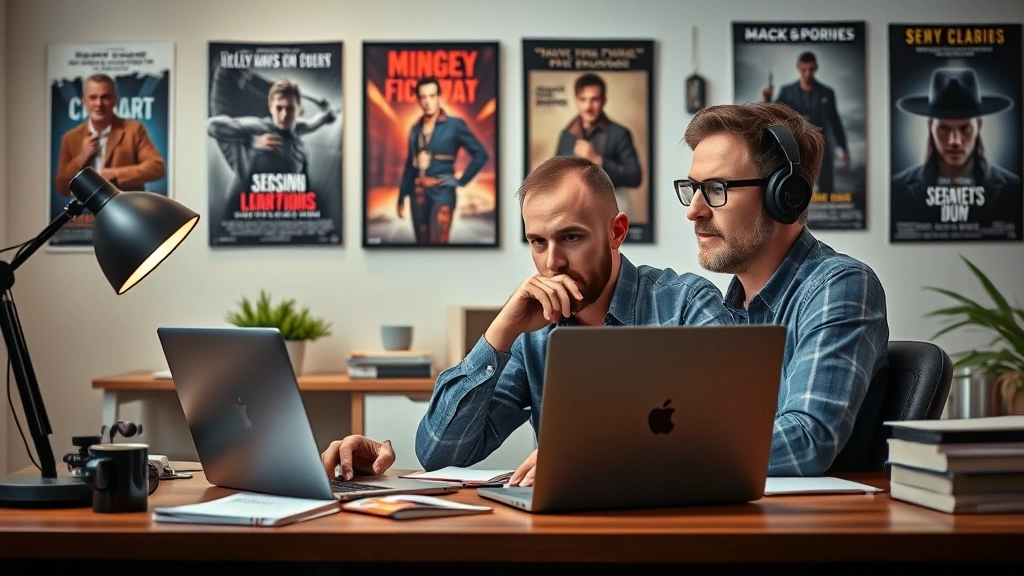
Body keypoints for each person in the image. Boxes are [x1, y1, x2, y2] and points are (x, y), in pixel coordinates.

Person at [322, 155, 732, 481]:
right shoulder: (533, 335)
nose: (551, 262)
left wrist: (598, 456)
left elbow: (736, 436)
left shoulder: (685, 304)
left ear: (616, 232)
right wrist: (501, 332)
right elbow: (439, 454)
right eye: (538, 242)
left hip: (670, 530)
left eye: (571, 237)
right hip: (559, 539)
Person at [675, 101, 890, 477]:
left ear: (784, 195)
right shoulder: (721, 310)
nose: (694, 211)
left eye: (715, 189)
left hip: (815, 530)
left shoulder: (840, 287)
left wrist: (651, 455)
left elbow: (808, 440)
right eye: (693, 189)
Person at [891, 67, 1021, 228]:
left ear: (979, 125)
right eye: (944, 128)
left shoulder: (1013, 187)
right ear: (930, 126)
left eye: (964, 128)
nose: (955, 141)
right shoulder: (898, 188)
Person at [207, 78, 337, 216]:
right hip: (243, 218)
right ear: (270, 107)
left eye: (290, 108)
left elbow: (324, 118)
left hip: (279, 217)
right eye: (279, 108)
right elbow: (211, 126)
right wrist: (251, 140)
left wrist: (326, 110)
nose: (284, 115)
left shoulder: (298, 130)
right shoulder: (258, 127)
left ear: (298, 108)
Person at [396, 76, 489, 244]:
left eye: (432, 96)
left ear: (439, 97)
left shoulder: (454, 125)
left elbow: (480, 154)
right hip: (417, 194)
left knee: (439, 244)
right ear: (418, 100)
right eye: (423, 97)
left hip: (442, 193)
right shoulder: (415, 129)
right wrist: (401, 197)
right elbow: (410, 166)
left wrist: (461, 181)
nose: (427, 101)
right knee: (421, 245)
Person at [55, 73, 166, 196]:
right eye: (93, 97)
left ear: (114, 100)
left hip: (124, 211)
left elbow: (157, 168)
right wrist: (81, 158)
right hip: (86, 214)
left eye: (105, 97)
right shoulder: (70, 137)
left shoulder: (134, 130)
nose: (99, 104)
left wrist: (115, 174)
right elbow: (62, 187)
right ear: (84, 101)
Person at [762, 51, 850, 194]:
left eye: (811, 69)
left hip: (822, 146)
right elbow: (775, 114)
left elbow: (835, 121)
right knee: (793, 187)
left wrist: (844, 148)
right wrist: (767, 99)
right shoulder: (787, 91)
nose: (807, 73)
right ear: (798, 68)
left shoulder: (827, 93)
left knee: (827, 189)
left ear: (816, 68)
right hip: (796, 146)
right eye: (804, 69)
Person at [555, 73, 642, 215]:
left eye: (594, 99)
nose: (588, 106)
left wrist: (598, 160)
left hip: (611, 212)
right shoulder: (566, 135)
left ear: (604, 100)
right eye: (583, 99)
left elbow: (635, 177)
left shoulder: (620, 133)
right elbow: (556, 175)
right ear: (576, 100)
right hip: (573, 212)